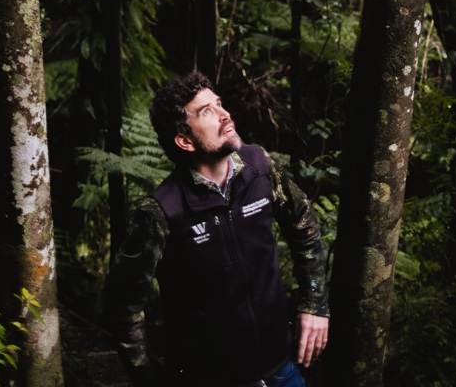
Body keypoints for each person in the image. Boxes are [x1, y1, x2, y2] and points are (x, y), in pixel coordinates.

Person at [103, 72, 330, 387]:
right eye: (207, 112)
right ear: (184, 140)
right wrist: (148, 377)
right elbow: (123, 304)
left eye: (219, 104)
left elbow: (304, 226)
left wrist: (315, 303)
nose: (225, 115)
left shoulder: (261, 168)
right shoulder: (160, 213)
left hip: (282, 371)